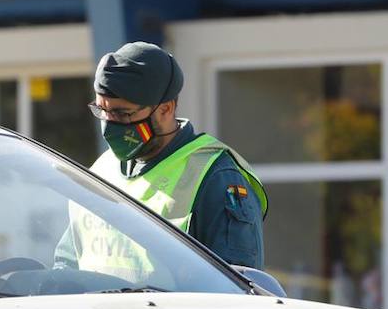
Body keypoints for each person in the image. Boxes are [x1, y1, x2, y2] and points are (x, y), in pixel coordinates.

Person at [55, 41, 267, 274]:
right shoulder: (100, 171)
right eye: (102, 110)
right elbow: (67, 263)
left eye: (122, 114)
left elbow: (236, 290)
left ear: (165, 109)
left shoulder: (214, 176)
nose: (109, 124)